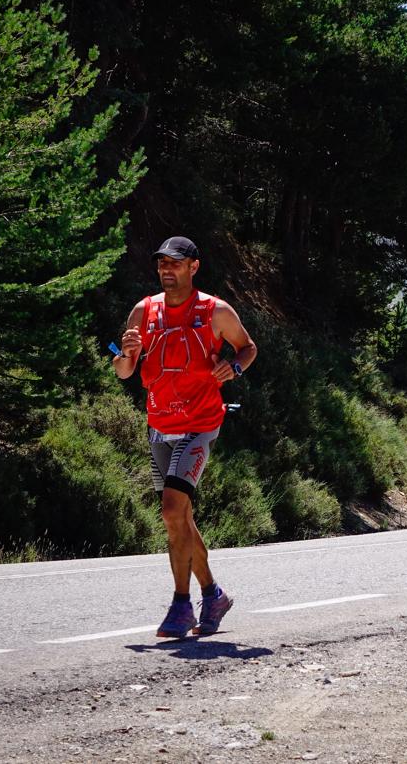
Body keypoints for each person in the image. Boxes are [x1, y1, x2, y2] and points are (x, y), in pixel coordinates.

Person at [113, 236, 257, 638]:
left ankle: (181, 606)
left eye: (175, 263)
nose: (167, 270)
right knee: (181, 520)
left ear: (194, 267)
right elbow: (123, 370)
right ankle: (213, 595)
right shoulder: (143, 311)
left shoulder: (215, 311)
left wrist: (235, 368)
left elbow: (247, 348)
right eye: (162, 263)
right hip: (159, 427)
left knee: (172, 511)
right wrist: (125, 352)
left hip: (199, 424)